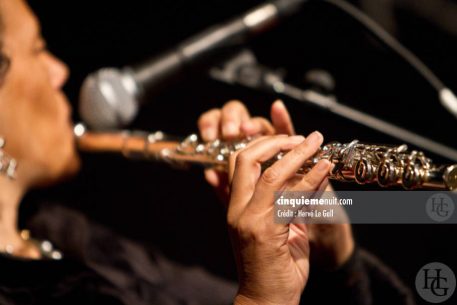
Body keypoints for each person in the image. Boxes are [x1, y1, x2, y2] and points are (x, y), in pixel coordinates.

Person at [0, 0, 415, 304]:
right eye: (37, 50)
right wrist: (260, 300)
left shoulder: (72, 239)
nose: (60, 71)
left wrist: (333, 252)